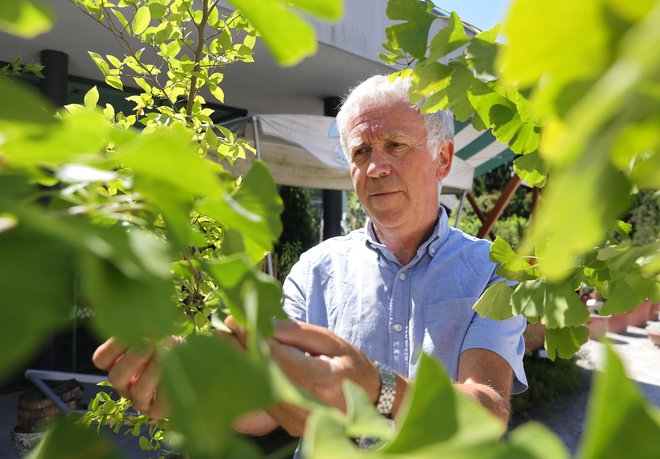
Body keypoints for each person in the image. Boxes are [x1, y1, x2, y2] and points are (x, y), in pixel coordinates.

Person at [93, 74, 527, 444]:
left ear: (443, 159)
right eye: (361, 152)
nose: (375, 167)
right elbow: (267, 405)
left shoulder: (492, 270)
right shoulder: (315, 269)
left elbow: (487, 409)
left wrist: (379, 390)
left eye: (396, 145)